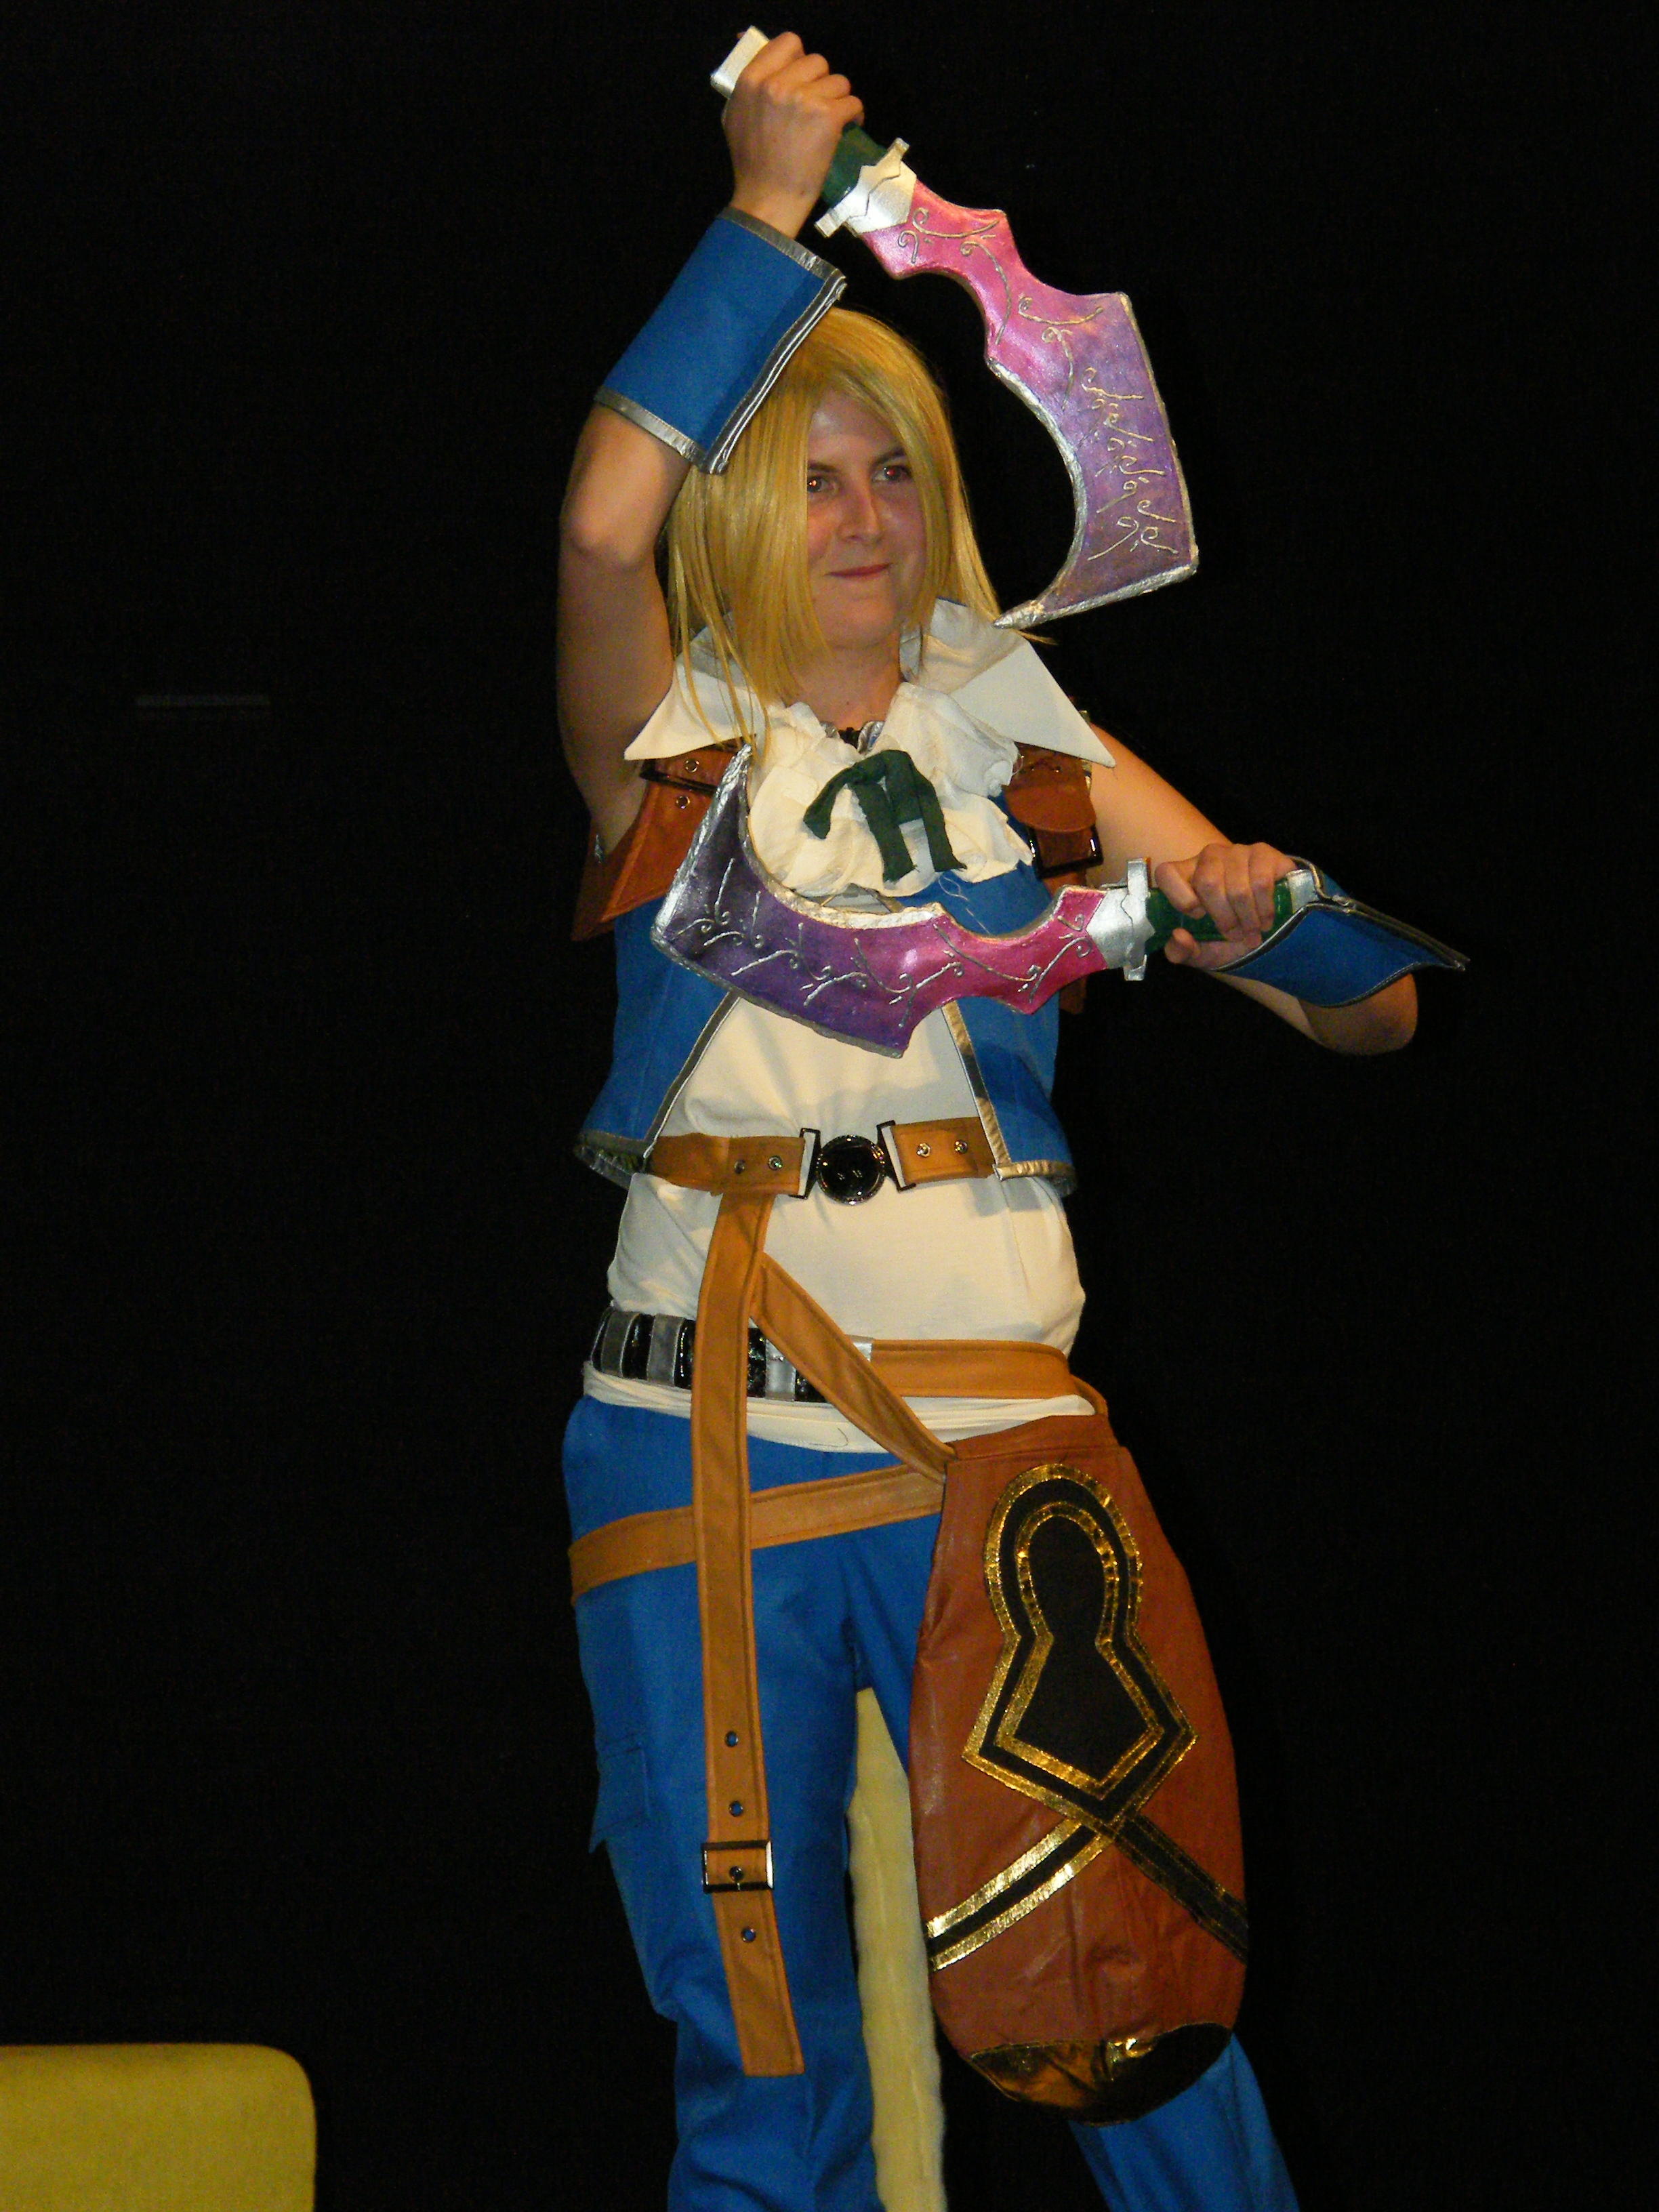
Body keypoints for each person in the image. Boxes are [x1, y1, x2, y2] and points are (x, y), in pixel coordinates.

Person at [557, 34, 1414, 2212]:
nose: (867, 518)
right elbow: (596, 523)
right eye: (814, 477)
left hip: (994, 1450)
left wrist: (1267, 917)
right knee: (760, 2058)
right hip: (700, 1444)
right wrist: (767, 212)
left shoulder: (1023, 740)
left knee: (1135, 1998)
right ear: (740, 505)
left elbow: (1378, 1009)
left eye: (897, 474)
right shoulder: (669, 745)